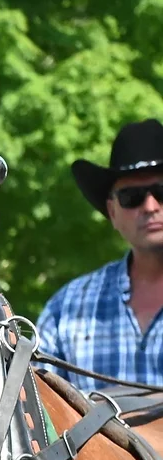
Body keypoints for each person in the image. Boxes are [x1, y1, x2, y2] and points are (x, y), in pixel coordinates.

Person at [38, 118, 163, 390]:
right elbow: (34, 417)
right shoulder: (66, 310)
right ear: (112, 212)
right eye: (132, 197)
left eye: (161, 191)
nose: (150, 206)